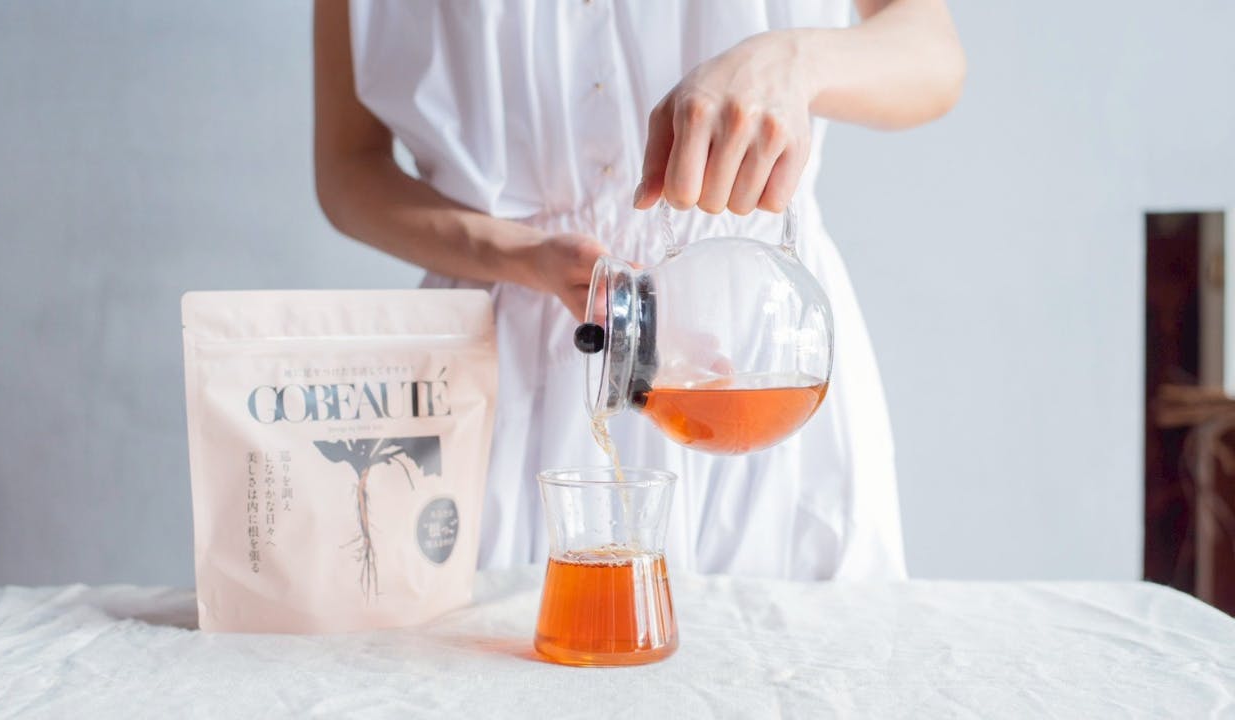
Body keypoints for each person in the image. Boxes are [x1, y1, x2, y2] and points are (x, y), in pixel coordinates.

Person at [313, 0, 964, 580]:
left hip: (764, 349)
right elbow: (349, 169)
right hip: (508, 361)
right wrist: (521, 254)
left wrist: (792, 62)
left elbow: (934, 55)